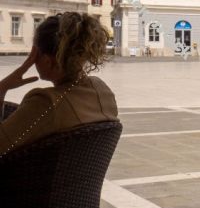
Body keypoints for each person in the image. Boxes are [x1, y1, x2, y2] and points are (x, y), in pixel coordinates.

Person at [0, 13, 118, 156]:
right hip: (77, 170)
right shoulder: (102, 90)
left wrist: (2, 87)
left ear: (47, 60)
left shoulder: (45, 103)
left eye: (35, 53)